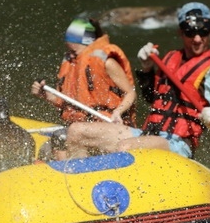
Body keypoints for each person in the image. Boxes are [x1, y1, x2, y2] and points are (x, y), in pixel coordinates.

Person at [58, 2, 210, 160]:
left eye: (203, 32)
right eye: (190, 32)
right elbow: (152, 98)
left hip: (178, 144)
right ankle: (81, 186)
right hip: (148, 134)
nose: (197, 39)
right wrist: (147, 69)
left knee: (126, 148)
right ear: (180, 32)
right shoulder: (169, 59)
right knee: (76, 132)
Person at [31, 17, 137, 159]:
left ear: (87, 44)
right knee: (46, 149)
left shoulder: (107, 62)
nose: (70, 55)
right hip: (83, 127)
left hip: (110, 126)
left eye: (74, 51)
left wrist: (118, 112)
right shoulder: (72, 63)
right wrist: (45, 95)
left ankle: (73, 174)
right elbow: (66, 103)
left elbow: (130, 93)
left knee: (60, 137)